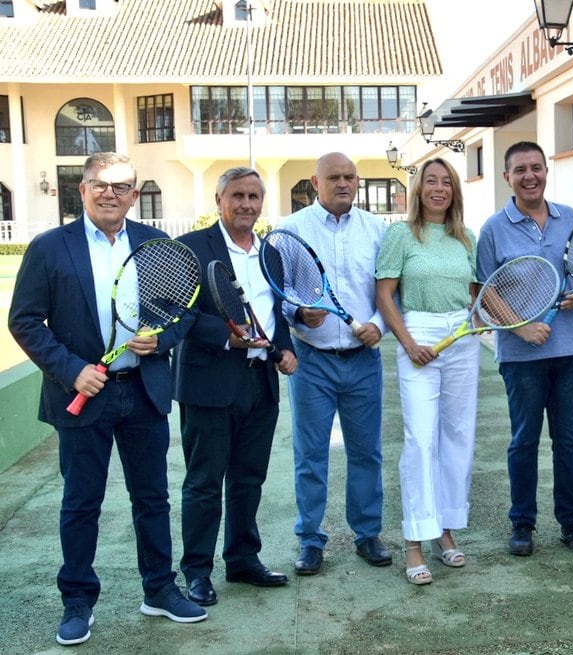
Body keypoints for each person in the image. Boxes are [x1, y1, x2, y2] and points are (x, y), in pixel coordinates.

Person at [8, 152, 207, 646]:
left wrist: (158, 340)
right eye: (101, 183)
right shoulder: (50, 247)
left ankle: (159, 589)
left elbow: (182, 313)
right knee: (80, 503)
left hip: (143, 393)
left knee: (152, 499)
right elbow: (25, 321)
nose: (110, 193)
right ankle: (77, 600)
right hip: (82, 396)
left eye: (122, 186)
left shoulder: (155, 245)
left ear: (134, 195)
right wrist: (72, 371)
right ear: (83, 188)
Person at [174, 167, 299, 606]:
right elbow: (174, 313)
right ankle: (197, 572)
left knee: (249, 478)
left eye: (254, 196)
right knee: (205, 482)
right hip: (209, 384)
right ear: (219, 200)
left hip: (259, 383)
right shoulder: (189, 249)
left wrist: (285, 349)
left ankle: (244, 559)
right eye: (238, 196)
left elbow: (276, 312)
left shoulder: (271, 254)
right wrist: (222, 335)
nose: (246, 204)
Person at [476, 141, 573, 556]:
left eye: (537, 168)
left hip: (569, 352)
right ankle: (522, 524)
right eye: (520, 169)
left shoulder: (570, 219)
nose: (530, 176)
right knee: (524, 441)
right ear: (507, 177)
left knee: (570, 442)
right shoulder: (494, 228)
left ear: (546, 171)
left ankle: (572, 522)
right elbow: (485, 292)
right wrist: (522, 328)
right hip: (521, 356)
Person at [278, 152, 391, 575]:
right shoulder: (291, 231)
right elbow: (281, 292)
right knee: (310, 455)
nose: (343, 184)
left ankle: (368, 534)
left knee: (367, 452)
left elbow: (389, 293)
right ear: (315, 183)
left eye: (350, 177)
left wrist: (379, 326)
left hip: (364, 360)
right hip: (311, 360)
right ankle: (310, 539)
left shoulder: (377, 231)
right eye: (334, 178)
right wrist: (298, 313)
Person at [375, 159, 479, 585]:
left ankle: (446, 533)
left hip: (462, 338)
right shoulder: (400, 234)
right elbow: (384, 296)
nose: (438, 189)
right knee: (420, 440)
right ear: (418, 189)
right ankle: (414, 541)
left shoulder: (465, 237)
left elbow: (475, 295)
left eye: (446, 183)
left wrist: (476, 321)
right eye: (431, 181)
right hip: (417, 332)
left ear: (454, 191)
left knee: (458, 436)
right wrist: (408, 342)